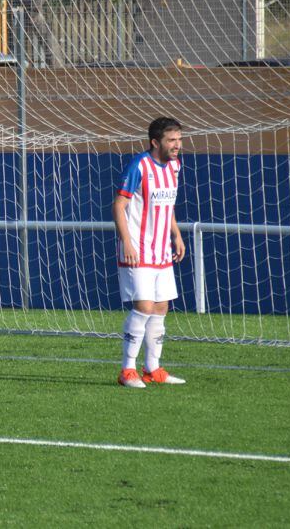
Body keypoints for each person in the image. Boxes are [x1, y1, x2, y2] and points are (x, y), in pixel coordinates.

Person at [113, 117, 188, 388]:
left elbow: (165, 206)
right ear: (155, 142)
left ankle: (153, 368)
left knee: (161, 308)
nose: (177, 145)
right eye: (171, 140)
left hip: (161, 251)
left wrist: (176, 234)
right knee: (143, 306)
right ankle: (127, 370)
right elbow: (119, 204)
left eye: (179, 139)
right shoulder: (139, 166)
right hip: (138, 250)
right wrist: (128, 242)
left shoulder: (175, 167)